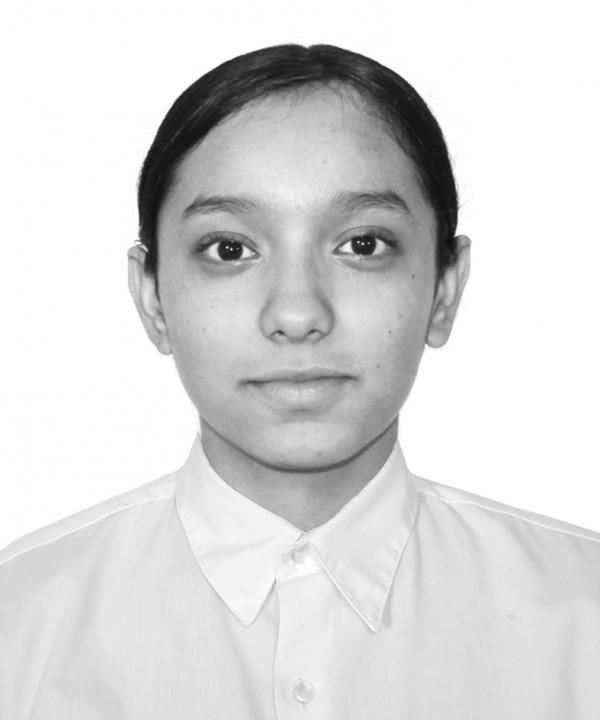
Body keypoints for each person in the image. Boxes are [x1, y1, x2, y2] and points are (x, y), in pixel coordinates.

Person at [0, 43, 598, 719]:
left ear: (444, 288)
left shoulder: (585, 621)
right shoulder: (19, 627)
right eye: (230, 249)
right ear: (152, 297)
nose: (297, 313)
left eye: (363, 245)